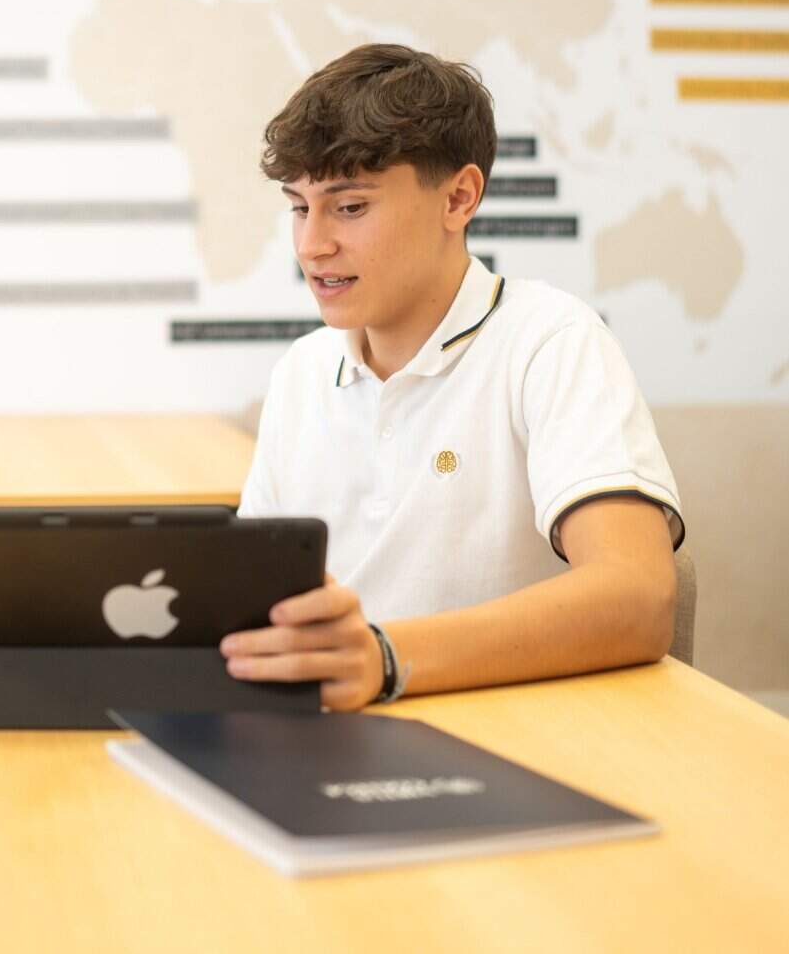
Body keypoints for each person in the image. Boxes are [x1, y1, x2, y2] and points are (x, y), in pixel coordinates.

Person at [221, 44, 683, 710]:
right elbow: (250, 602)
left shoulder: (548, 341)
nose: (310, 245)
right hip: (333, 736)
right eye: (299, 207)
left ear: (458, 198)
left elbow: (638, 596)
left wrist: (383, 657)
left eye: (348, 207)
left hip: (517, 739)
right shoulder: (302, 369)